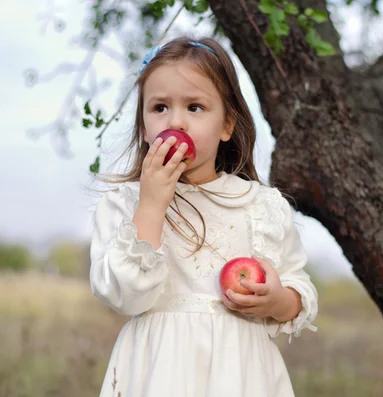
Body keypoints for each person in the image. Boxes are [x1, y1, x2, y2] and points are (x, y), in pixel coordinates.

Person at [89, 36, 318, 397]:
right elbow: (125, 296)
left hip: (241, 378)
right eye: (159, 107)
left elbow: (298, 288)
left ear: (227, 125)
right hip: (157, 375)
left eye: (195, 107)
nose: (176, 121)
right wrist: (151, 207)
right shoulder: (126, 204)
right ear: (144, 123)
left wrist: (277, 301)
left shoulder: (261, 205)